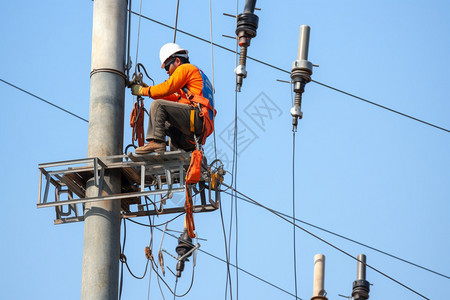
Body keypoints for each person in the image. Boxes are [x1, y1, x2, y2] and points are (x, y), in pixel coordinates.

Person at [131, 43, 215, 154]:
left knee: (158, 105)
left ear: (177, 61)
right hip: (196, 129)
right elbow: (174, 97)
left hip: (196, 118)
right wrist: (149, 90)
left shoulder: (185, 68)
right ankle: (175, 149)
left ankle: (157, 143)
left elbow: (167, 88)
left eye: (167, 66)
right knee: (162, 119)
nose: (166, 71)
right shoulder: (194, 76)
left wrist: (143, 91)